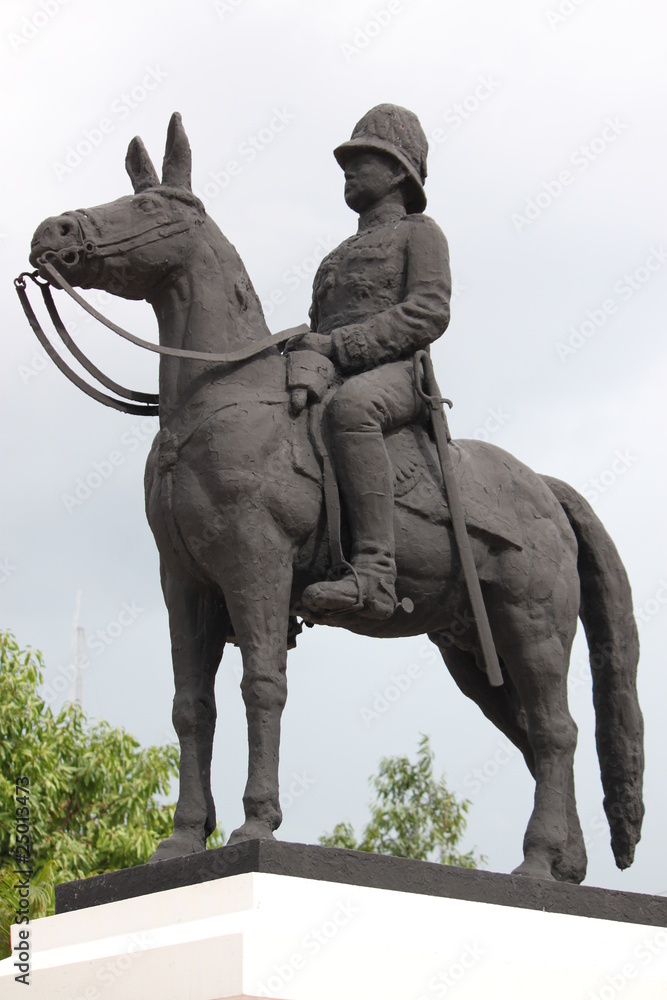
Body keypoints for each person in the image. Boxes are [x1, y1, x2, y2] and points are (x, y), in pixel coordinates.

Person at [287, 104, 451, 619]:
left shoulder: (420, 233)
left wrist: (340, 348)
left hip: (397, 375)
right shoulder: (334, 255)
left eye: (363, 160)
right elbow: (318, 328)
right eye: (347, 162)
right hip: (332, 369)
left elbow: (428, 311)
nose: (349, 170)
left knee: (353, 409)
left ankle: (376, 572)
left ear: (399, 170)